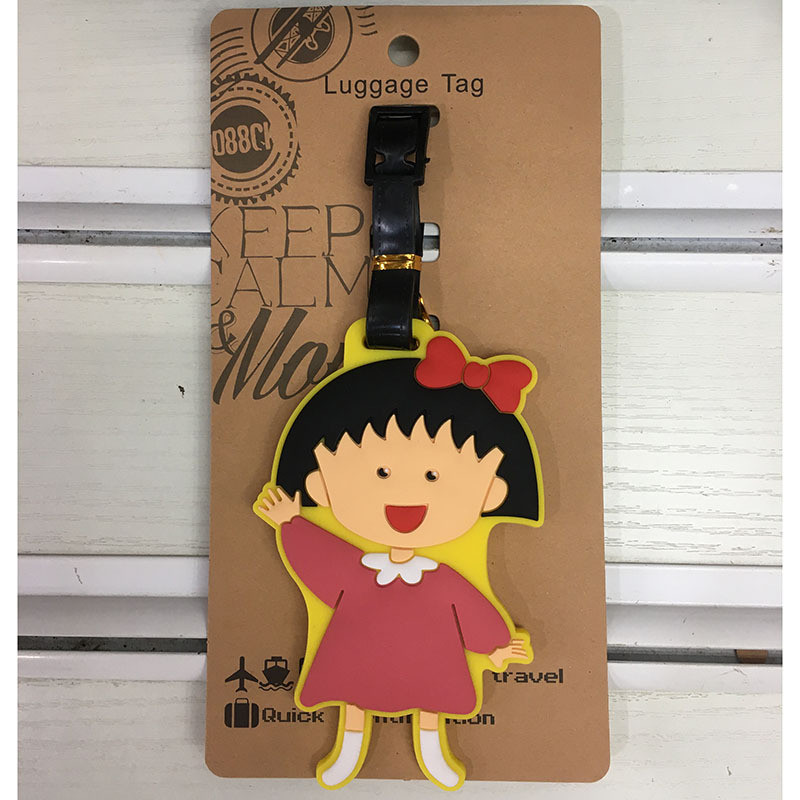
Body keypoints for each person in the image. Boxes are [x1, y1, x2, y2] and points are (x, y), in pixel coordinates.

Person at [255, 333, 542, 789]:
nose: (405, 497)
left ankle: (433, 750)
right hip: (361, 644)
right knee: (355, 691)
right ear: (320, 485)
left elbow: (471, 610)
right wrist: (291, 523)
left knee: (431, 694)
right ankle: (348, 750)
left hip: (430, 653)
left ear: (491, 492)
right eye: (381, 472)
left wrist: (496, 646)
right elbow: (322, 565)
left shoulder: (442, 579)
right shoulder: (360, 570)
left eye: (433, 475)